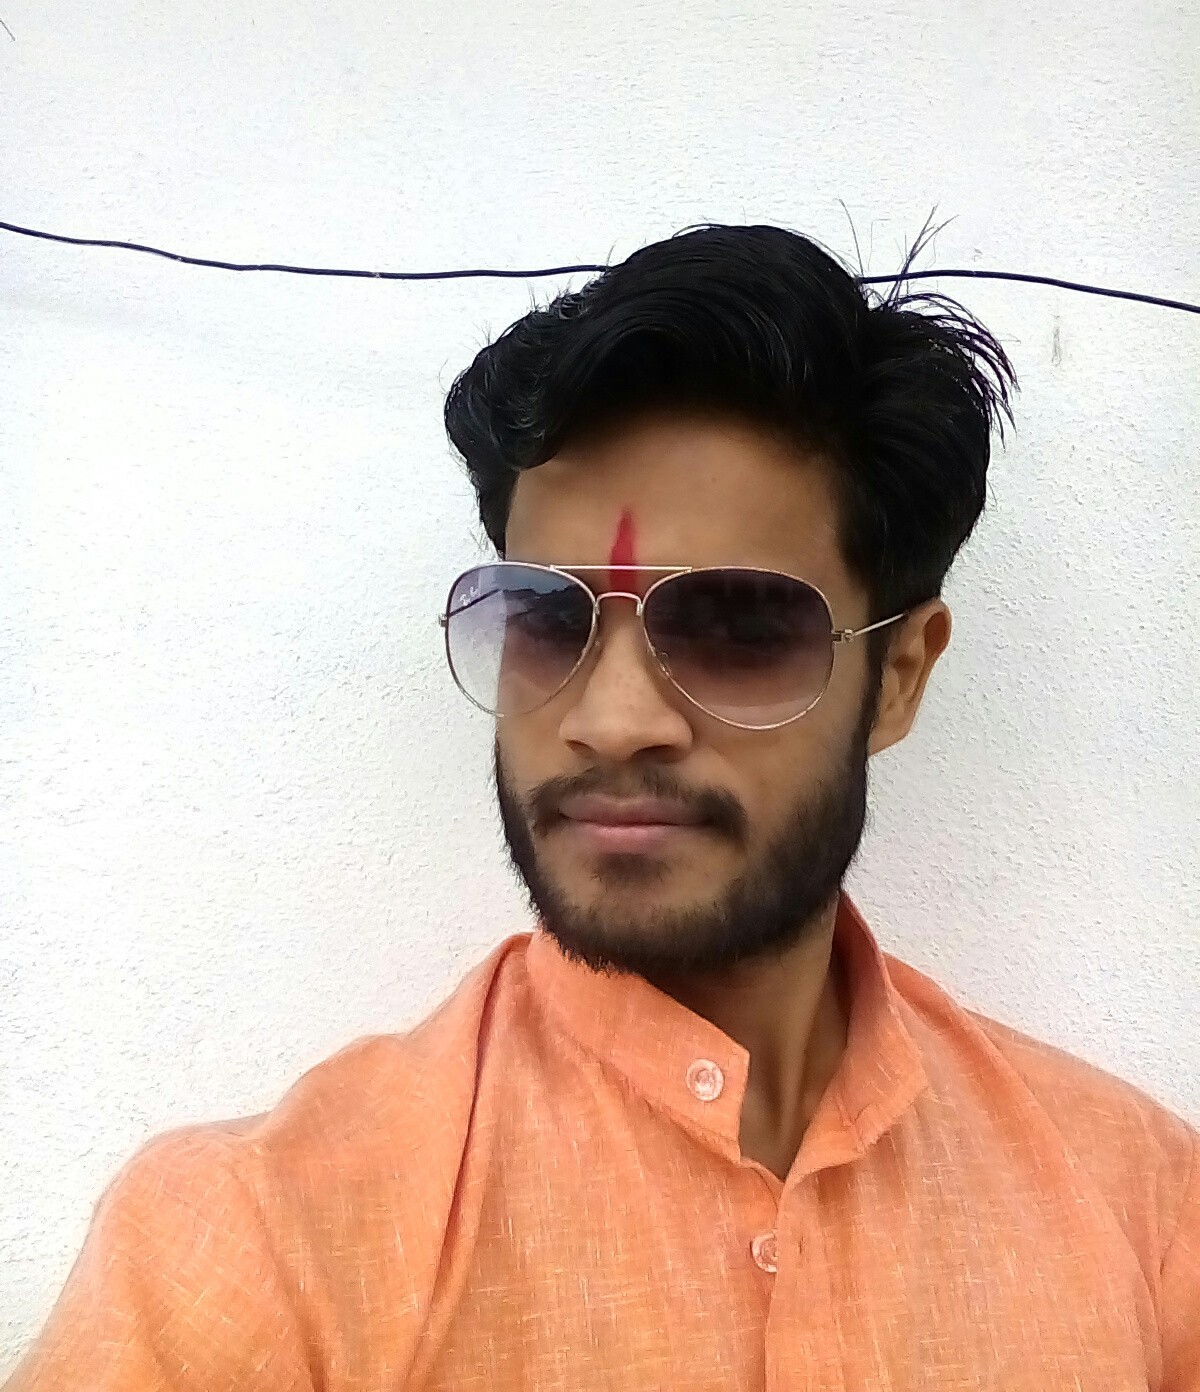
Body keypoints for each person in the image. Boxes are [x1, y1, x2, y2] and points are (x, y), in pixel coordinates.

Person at [5, 224, 1196, 1391]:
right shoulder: (261, 1247)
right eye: (546, 616)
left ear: (898, 677)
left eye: (736, 624)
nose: (612, 718)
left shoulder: (1144, 1215)